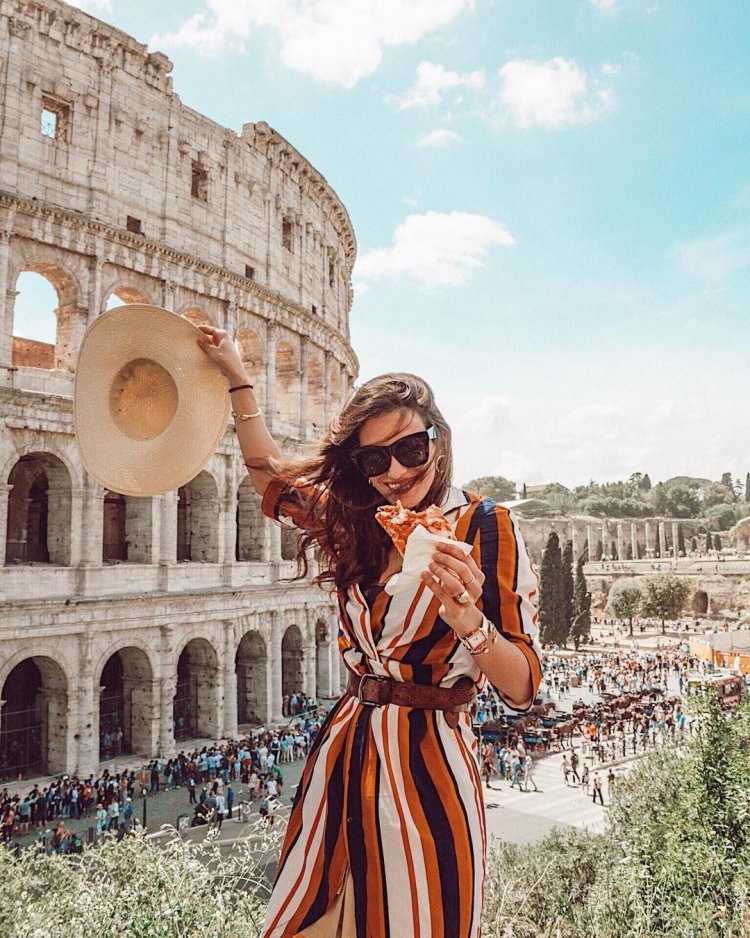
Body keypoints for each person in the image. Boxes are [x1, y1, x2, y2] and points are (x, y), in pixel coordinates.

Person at [197, 333, 542, 938]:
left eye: (410, 448)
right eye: (373, 460)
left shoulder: (486, 526)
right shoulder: (354, 522)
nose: (397, 472)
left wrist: (467, 618)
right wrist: (236, 376)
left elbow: (523, 687)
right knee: (309, 921)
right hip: (346, 751)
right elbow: (268, 477)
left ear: (437, 440)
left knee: (419, 916)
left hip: (430, 765)